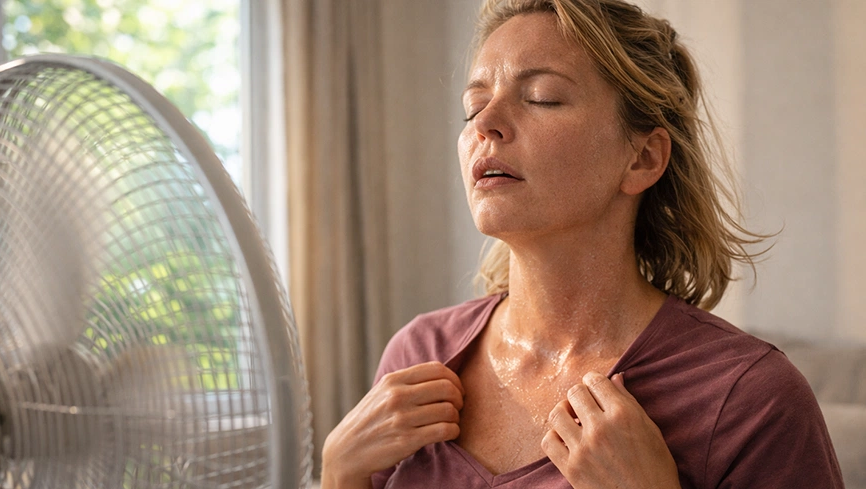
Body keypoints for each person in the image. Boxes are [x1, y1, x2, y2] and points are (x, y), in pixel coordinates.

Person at [321, 0, 844, 487]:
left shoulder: (753, 401)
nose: (484, 124)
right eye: (473, 105)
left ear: (641, 159)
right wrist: (339, 473)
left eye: (541, 97)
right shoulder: (418, 355)